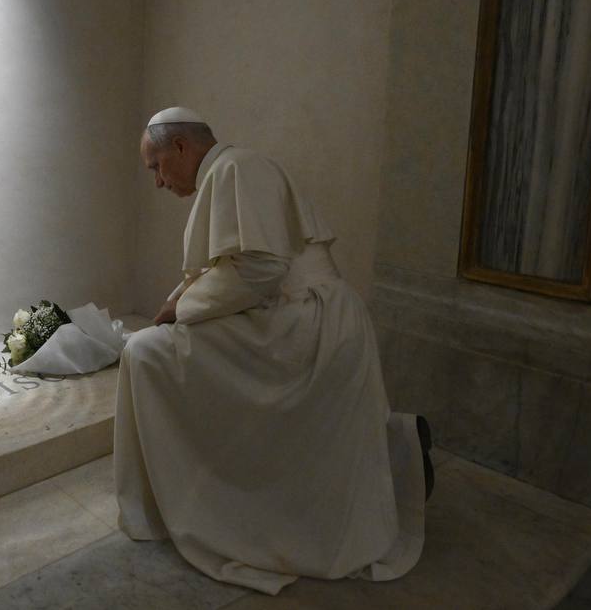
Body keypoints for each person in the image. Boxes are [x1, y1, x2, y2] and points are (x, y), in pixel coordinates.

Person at [115, 106, 431, 596]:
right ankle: (202, 497)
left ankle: (194, 503)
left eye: (155, 166)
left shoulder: (236, 168)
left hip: (307, 323)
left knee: (148, 354)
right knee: (151, 351)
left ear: (180, 147)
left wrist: (181, 310)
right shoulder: (231, 170)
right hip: (294, 317)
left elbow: (261, 270)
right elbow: (228, 268)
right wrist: (179, 300)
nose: (157, 181)